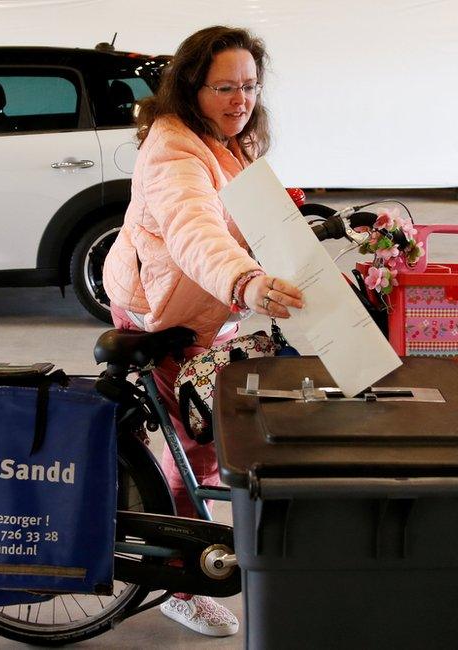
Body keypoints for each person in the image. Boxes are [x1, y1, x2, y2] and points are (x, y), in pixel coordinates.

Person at [102, 25, 304, 637]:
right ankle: (177, 579)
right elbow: (196, 232)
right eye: (224, 87)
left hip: (205, 308)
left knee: (213, 432)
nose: (240, 99)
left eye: (249, 86)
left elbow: (245, 215)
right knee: (201, 446)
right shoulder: (172, 150)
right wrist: (246, 281)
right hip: (162, 313)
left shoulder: (225, 138)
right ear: (192, 87)